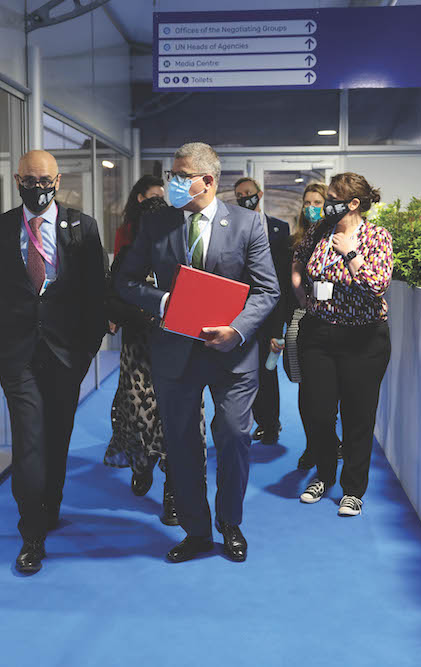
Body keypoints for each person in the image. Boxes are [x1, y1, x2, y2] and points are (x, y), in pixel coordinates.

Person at [115, 142, 279, 563]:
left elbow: (267, 290)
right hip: (174, 353)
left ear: (208, 180)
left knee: (235, 437)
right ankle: (197, 531)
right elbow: (125, 280)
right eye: (172, 174)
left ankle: (231, 523)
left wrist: (237, 331)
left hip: (233, 356)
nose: (173, 182)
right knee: (182, 443)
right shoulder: (157, 224)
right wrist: (162, 302)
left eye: (181, 176)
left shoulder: (247, 224)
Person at [0, 150, 107, 574]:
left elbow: (95, 292)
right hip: (15, 353)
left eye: (45, 179)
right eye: (30, 179)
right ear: (17, 180)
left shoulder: (82, 227)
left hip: (67, 352)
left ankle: (51, 505)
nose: (38, 186)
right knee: (29, 439)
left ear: (58, 179)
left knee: (57, 435)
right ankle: (31, 533)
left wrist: (88, 349)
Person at [103, 176, 206, 527]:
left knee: (178, 423)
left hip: (180, 350)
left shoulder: (186, 252)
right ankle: (142, 462)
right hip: (139, 351)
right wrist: (146, 312)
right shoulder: (129, 254)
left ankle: (173, 495)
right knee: (140, 415)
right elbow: (114, 298)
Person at [291, 172, 392, 517]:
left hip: (364, 338)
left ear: (352, 203)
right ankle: (323, 474)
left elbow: (377, 284)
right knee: (318, 412)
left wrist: (351, 254)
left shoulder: (377, 237)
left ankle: (353, 489)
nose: (326, 201)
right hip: (318, 333)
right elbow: (298, 257)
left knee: (357, 417)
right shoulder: (320, 232)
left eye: (332, 196)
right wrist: (298, 287)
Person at [233, 176, 292, 446]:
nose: (245, 197)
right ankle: (256, 421)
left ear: (260, 193)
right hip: (242, 312)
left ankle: (271, 423)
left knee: (268, 371)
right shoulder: (233, 227)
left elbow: (282, 278)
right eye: (239, 194)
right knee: (246, 370)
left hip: (272, 312)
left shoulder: (279, 229)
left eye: (249, 192)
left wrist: (279, 325)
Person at [290, 182, 344, 470]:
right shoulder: (297, 239)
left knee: (328, 391)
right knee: (305, 389)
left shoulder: (338, 237)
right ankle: (313, 445)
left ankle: (329, 441)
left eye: (317, 202)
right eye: (307, 202)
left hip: (334, 318)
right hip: (301, 319)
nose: (311, 207)